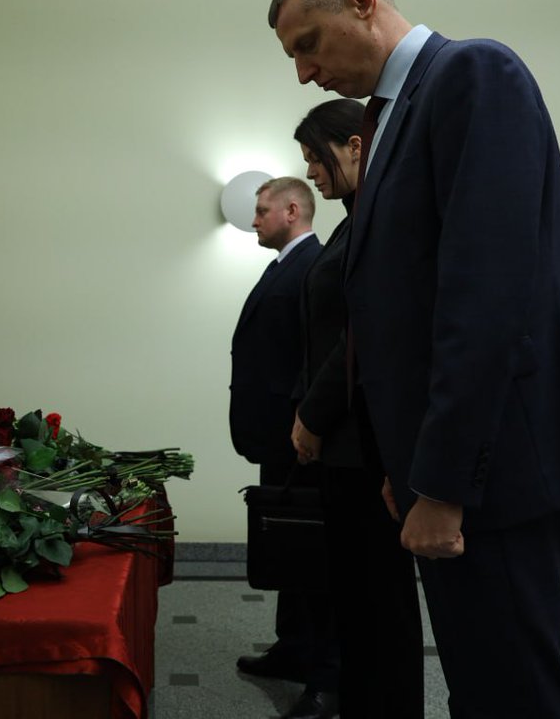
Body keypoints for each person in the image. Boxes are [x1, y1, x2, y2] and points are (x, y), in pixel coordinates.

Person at [267, 0, 560, 719]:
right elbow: (399, 307)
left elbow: (487, 298)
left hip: (490, 472)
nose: (304, 73)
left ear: (364, 2)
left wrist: (440, 484)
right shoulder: (391, 118)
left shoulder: (474, 75)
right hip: (448, 472)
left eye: (308, 43)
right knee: (481, 684)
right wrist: (402, 465)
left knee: (510, 693)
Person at [290, 99, 424, 718]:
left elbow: (363, 334)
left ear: (354, 145)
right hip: (348, 441)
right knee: (358, 599)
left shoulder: (376, 216)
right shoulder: (351, 222)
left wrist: (313, 414)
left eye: (317, 157)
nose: (312, 173)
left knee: (377, 602)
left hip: (364, 441)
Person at [228, 176, 338, 719]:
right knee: (286, 547)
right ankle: (293, 648)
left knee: (313, 558)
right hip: (279, 435)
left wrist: (306, 422)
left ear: (291, 211)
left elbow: (315, 356)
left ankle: (326, 677)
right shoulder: (286, 265)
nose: (253, 219)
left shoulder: (312, 265)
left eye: (260, 210)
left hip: (302, 439)